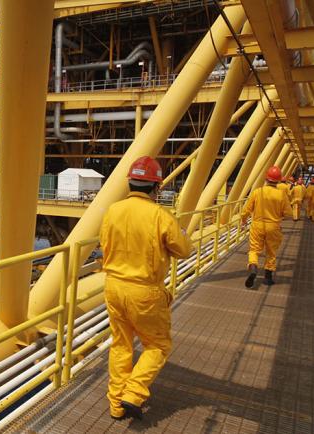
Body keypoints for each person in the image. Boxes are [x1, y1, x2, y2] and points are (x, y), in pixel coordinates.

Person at [100, 156, 192, 420]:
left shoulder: (112, 211)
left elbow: (105, 246)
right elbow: (184, 250)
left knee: (121, 345)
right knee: (158, 345)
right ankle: (134, 393)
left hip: (114, 287)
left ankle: (116, 405)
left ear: (130, 183)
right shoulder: (160, 216)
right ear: (156, 187)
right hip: (145, 292)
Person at [241, 165, 291, 287]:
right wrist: (279, 217)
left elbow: (246, 210)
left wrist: (243, 220)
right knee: (271, 252)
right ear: (278, 180)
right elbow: (289, 213)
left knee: (254, 250)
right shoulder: (281, 195)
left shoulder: (257, 192)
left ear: (266, 179)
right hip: (274, 226)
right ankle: (268, 278)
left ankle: (253, 267)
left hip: (257, 225)